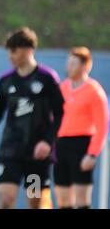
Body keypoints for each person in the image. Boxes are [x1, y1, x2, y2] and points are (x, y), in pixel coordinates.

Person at [0, 27, 64, 209]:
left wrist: (48, 142)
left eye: (14, 50)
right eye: (8, 51)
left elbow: (60, 113)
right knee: (6, 200)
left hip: (37, 154)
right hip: (10, 151)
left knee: (35, 202)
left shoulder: (47, 78)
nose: (10, 56)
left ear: (28, 50)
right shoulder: (6, 81)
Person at [54, 47, 109, 209]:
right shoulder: (62, 88)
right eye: (68, 63)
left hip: (81, 146)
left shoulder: (94, 91)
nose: (69, 67)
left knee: (81, 199)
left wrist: (92, 154)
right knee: (63, 199)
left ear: (86, 66)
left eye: (74, 64)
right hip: (61, 145)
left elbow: (102, 125)